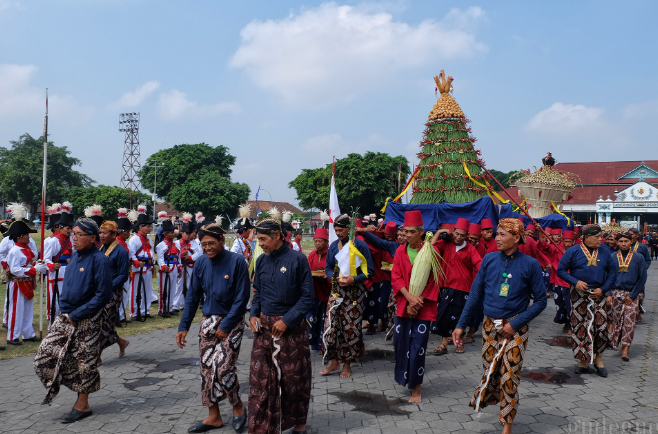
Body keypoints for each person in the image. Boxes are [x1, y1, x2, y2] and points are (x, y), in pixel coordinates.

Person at [453, 218, 547, 434]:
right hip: (489, 325)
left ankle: (507, 425)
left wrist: (515, 324)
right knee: (491, 368)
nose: (497, 238)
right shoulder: (488, 259)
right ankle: (494, 401)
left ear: (517, 237)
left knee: (510, 374)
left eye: (503, 234)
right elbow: (475, 294)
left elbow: (541, 301)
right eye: (497, 233)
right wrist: (461, 324)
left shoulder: (530, 264)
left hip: (516, 325)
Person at [34, 218, 113, 423]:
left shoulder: (100, 259)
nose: (74, 238)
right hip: (66, 314)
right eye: (73, 233)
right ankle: (69, 386)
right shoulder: (75, 256)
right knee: (46, 353)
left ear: (92, 238)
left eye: (79, 234)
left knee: (85, 362)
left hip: (87, 317)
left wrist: (78, 314)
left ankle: (82, 405)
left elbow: (103, 294)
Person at [176, 222, 250, 433]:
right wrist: (184, 327)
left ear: (221, 241)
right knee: (207, 370)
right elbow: (192, 297)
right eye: (203, 244)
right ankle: (213, 416)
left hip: (232, 321)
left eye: (211, 243)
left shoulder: (237, 262)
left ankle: (237, 406)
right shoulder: (200, 263)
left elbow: (242, 298)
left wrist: (226, 325)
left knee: (224, 368)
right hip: (208, 321)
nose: (207, 247)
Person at [248, 218, 313, 434]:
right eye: (258, 239)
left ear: (277, 235)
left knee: (294, 381)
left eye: (264, 239)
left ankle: (298, 424)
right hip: (264, 330)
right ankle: (261, 426)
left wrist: (287, 320)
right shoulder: (262, 261)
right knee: (260, 381)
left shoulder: (298, 260)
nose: (261, 244)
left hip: (291, 330)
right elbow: (257, 292)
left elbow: (307, 297)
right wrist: (253, 315)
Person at [391, 210, 440, 403]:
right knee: (400, 343)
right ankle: (404, 378)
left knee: (418, 346)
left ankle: (416, 388)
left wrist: (418, 301)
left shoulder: (431, 251)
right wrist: (409, 298)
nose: (407, 235)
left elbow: (434, 281)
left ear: (421, 231)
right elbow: (395, 276)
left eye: (412, 231)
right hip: (404, 304)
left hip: (423, 307)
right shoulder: (399, 251)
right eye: (405, 231)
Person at [557, 224, 617, 377]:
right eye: (597, 237)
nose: (600, 239)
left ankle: (599, 359)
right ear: (586, 237)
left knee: (601, 327)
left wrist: (603, 289)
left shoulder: (605, 251)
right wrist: (575, 281)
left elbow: (612, 272)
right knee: (580, 328)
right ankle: (582, 361)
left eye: (600, 236)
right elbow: (561, 270)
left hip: (599, 294)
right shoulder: (573, 251)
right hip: (579, 295)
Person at [322, 214, 374, 378]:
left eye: (341, 230)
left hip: (354, 294)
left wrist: (354, 279)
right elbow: (328, 267)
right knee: (331, 326)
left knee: (350, 329)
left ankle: (347, 364)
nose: (338, 233)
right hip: (336, 291)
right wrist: (334, 277)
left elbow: (369, 271)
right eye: (336, 230)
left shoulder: (360, 245)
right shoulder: (332, 246)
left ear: (348, 229)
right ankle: (334, 361)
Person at [431, 217, 482, 354]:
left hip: (463, 287)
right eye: (457, 233)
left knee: (460, 317)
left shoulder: (470, 249)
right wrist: (439, 232)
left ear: (467, 236)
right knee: (444, 316)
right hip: (446, 285)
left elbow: (479, 264)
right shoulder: (446, 243)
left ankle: (459, 344)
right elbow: (431, 248)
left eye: (462, 235)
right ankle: (443, 344)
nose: (459, 237)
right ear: (452, 232)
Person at [356, 221, 400, 338]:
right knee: (377, 302)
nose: (390, 238)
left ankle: (387, 324)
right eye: (387, 236)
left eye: (393, 236)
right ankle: (373, 323)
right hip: (376, 276)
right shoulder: (382, 243)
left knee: (385, 303)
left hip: (390, 278)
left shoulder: (395, 245)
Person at [608, 231, 647, 362]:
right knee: (617, 320)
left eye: (626, 241)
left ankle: (625, 349)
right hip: (615, 293)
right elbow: (606, 277)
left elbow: (642, 278)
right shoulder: (612, 257)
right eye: (621, 241)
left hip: (631, 294)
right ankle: (620, 343)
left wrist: (633, 295)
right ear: (617, 243)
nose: (623, 244)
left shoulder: (638, 257)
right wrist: (608, 294)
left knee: (629, 322)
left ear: (631, 242)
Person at [5, 219, 43, 346]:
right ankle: (13, 336)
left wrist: (37, 264)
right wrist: (33, 269)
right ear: (20, 237)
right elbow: (15, 270)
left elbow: (29, 263)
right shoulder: (15, 251)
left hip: (27, 282)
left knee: (28, 309)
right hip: (17, 283)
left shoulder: (25, 249)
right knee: (16, 309)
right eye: (27, 235)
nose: (29, 237)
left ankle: (28, 334)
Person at [97, 220, 131, 365]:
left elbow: (123, 275)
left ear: (113, 234)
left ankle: (96, 355)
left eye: (104, 233)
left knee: (104, 323)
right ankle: (121, 341)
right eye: (100, 232)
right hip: (98, 291)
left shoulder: (121, 251)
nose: (101, 235)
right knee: (100, 322)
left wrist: (108, 287)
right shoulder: (100, 249)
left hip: (112, 292)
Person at [43, 202, 75, 325]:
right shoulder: (53, 242)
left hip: (68, 272)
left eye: (71, 228)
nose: (70, 230)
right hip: (56, 272)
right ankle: (53, 327)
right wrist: (52, 265)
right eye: (68, 228)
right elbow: (46, 259)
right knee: (55, 302)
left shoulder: (72, 240)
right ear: (60, 227)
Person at [538, 228, 573, 335]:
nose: (567, 244)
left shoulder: (577, 250)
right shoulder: (556, 248)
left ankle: (571, 325)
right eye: (565, 241)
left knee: (570, 305)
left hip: (571, 282)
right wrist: (540, 231)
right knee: (560, 304)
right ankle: (566, 322)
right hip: (559, 280)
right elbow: (542, 245)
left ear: (573, 241)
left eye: (569, 241)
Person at [128, 208, 157, 320]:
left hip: (148, 267)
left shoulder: (149, 239)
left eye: (150, 226)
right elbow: (131, 254)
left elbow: (149, 252)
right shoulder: (134, 239)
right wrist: (136, 262)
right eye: (147, 226)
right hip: (138, 267)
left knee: (147, 289)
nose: (149, 228)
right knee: (135, 290)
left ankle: (145, 310)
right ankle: (134, 313)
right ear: (140, 227)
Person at [306, 227, 331, 352]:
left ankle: (323, 343)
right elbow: (307, 270)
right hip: (314, 291)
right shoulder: (311, 255)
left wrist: (326, 276)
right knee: (313, 318)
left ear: (326, 242)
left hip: (326, 291)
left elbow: (333, 271)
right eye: (315, 241)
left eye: (320, 241)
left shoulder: (331, 255)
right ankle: (314, 343)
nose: (317, 244)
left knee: (324, 319)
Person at [175, 213, 200, 313]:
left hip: (190, 267)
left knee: (189, 285)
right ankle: (176, 305)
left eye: (189, 233)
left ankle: (186, 303)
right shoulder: (177, 243)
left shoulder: (194, 243)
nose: (187, 235)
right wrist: (182, 255)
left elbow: (198, 254)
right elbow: (175, 257)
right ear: (182, 233)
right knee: (179, 286)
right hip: (180, 267)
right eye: (185, 233)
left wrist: (189, 257)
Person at [156, 218, 180, 317]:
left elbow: (178, 258)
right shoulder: (161, 245)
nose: (173, 234)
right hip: (166, 268)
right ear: (165, 234)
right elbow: (160, 259)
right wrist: (163, 266)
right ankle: (162, 309)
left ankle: (169, 308)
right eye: (171, 232)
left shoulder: (175, 244)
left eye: (173, 232)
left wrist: (179, 269)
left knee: (172, 289)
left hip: (174, 267)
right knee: (164, 289)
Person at [116, 208, 133, 323]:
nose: (128, 233)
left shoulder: (126, 243)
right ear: (121, 231)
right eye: (127, 231)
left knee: (125, 293)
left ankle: (121, 316)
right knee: (117, 294)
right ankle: (116, 315)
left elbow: (131, 255)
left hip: (126, 270)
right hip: (117, 271)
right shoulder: (115, 242)